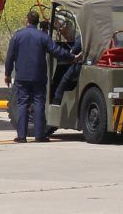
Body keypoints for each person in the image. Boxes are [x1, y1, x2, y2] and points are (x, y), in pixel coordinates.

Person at [5, 9, 75, 142]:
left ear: (27, 21)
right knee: (38, 104)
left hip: (22, 77)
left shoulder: (17, 36)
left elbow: (10, 57)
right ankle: (39, 135)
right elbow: (56, 51)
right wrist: (71, 57)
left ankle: (21, 136)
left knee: (23, 104)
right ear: (37, 22)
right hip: (39, 76)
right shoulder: (43, 37)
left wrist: (7, 74)